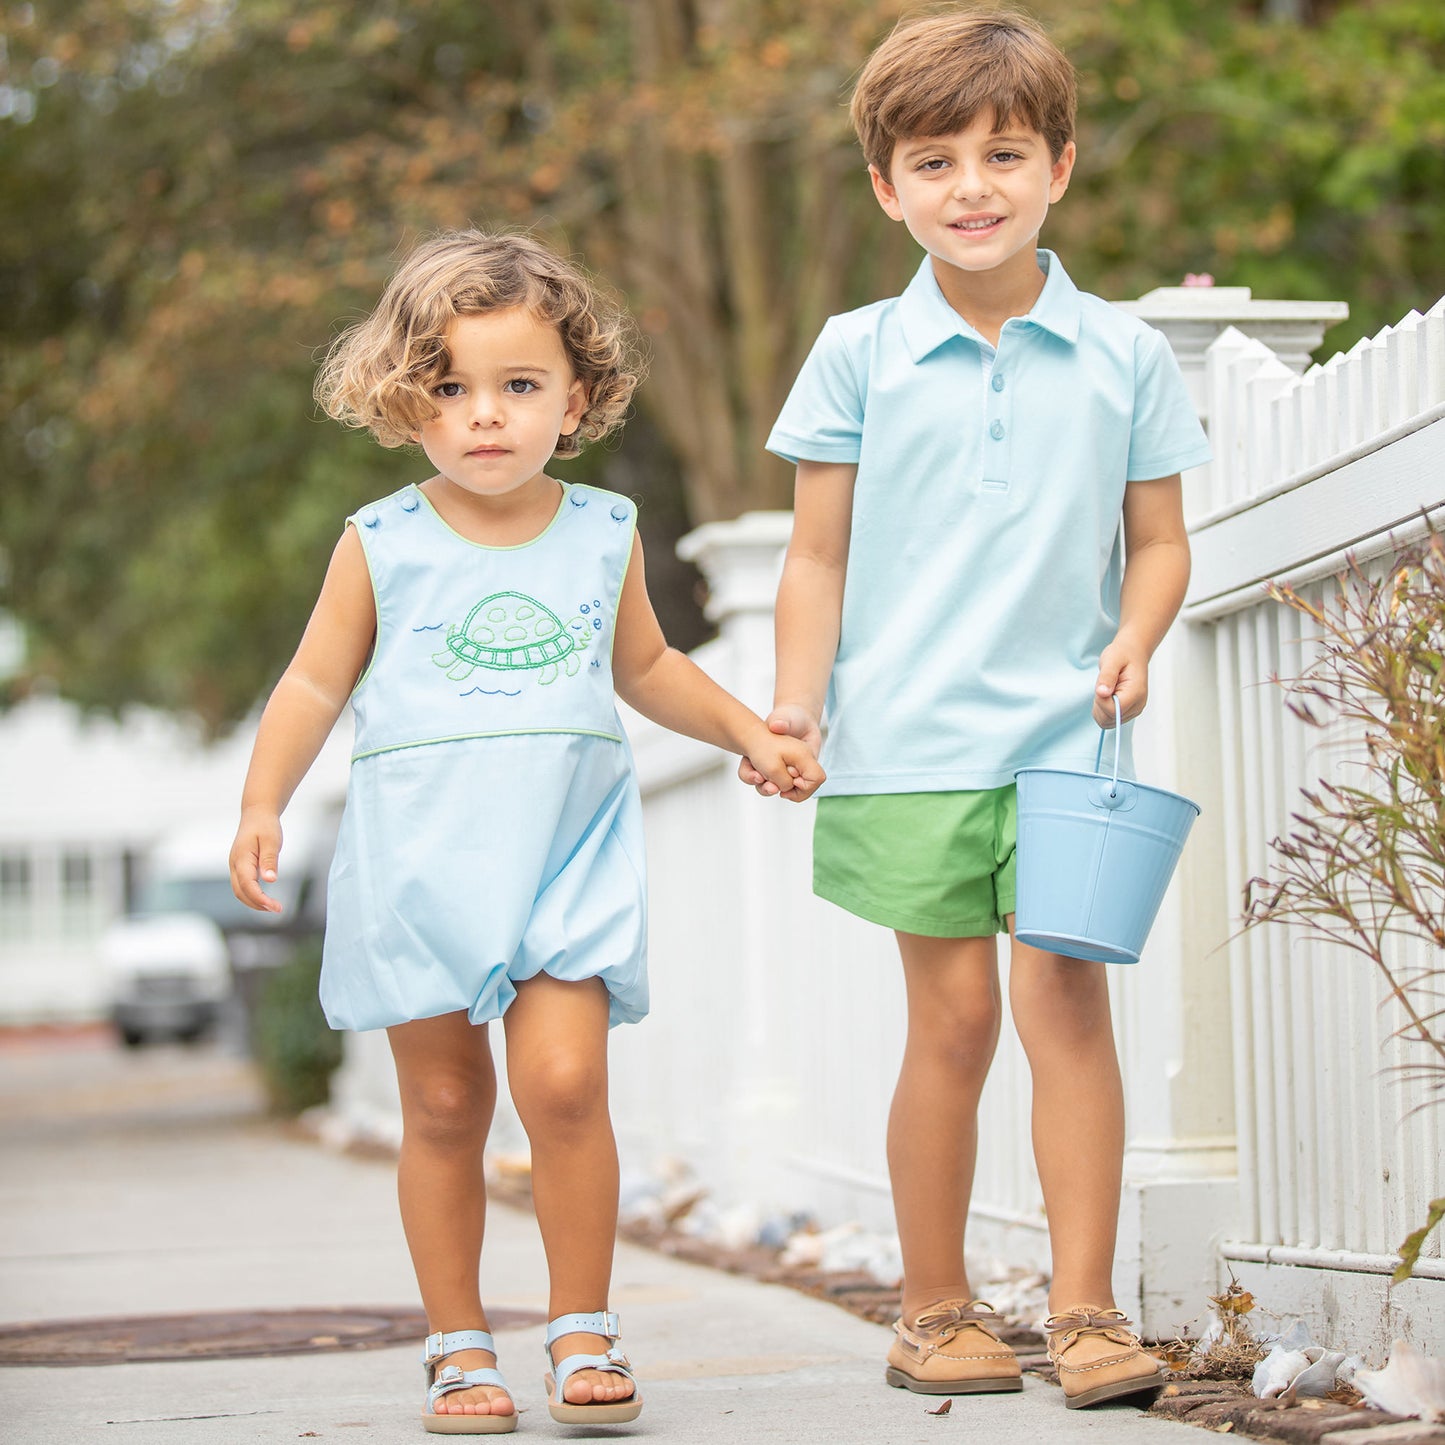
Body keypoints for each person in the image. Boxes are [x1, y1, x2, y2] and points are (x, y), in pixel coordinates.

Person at [229, 229, 823, 1435]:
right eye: (448, 387)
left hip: (565, 856)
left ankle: (582, 1328)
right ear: (405, 400)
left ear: (577, 395)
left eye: (516, 386)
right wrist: (261, 799)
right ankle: (458, 1345)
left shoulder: (602, 530)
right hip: (419, 867)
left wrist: (750, 734)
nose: (483, 416)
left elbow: (646, 667)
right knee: (444, 1107)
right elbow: (307, 685)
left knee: (562, 1084)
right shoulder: (378, 542)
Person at [739, 7, 1211, 1411]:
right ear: (887, 187)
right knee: (947, 1024)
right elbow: (813, 556)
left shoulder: (1124, 354)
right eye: (934, 161)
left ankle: (1084, 1309)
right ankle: (934, 1306)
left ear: (1059, 164)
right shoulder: (855, 352)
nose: (973, 187)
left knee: (1066, 1004)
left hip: (1069, 742)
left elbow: (1162, 540)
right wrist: (793, 706)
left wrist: (1135, 635)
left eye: (1004, 153)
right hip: (903, 748)